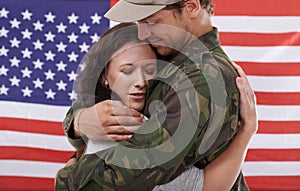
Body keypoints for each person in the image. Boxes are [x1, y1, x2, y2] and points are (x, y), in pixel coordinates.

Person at [56, 0, 256, 190]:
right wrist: (78, 122)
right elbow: (112, 114)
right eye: (140, 23)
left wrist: (68, 178)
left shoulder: (200, 79)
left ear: (191, 7)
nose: (142, 34)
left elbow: (129, 175)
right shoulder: (169, 54)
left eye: (152, 22)